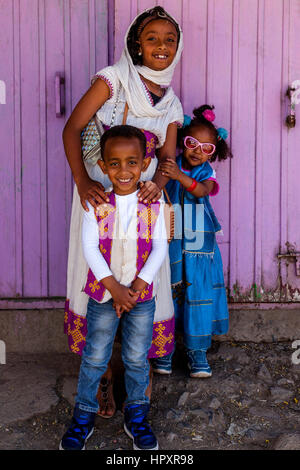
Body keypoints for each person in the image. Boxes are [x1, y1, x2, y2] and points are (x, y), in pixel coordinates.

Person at [63, 6, 184, 417]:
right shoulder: (113, 81)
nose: (161, 46)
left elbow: (167, 161)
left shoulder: (172, 103)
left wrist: (160, 184)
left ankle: (137, 379)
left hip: (145, 206)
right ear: (136, 43)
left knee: (145, 278)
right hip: (100, 200)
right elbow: (73, 128)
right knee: (98, 277)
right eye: (152, 38)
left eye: (169, 39)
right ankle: (100, 381)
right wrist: (83, 183)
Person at [60, 125, 168, 450]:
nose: (124, 170)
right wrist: (115, 289)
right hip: (104, 295)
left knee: (137, 357)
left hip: (140, 297)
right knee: (95, 356)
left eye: (132, 162)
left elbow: (160, 247)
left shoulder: (153, 203)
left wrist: (135, 286)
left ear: (144, 164)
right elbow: (90, 248)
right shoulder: (97, 204)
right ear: (104, 167)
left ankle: (136, 415)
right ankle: (83, 417)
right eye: (115, 163)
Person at [152, 105, 232, 378]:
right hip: (172, 241)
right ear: (182, 140)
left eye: (206, 148)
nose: (198, 151)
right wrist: (171, 172)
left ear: (214, 152)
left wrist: (178, 176)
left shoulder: (205, 173)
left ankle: (197, 352)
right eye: (191, 143)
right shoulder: (169, 163)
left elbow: (200, 191)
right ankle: (165, 349)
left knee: (196, 293)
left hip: (198, 247)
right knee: (169, 292)